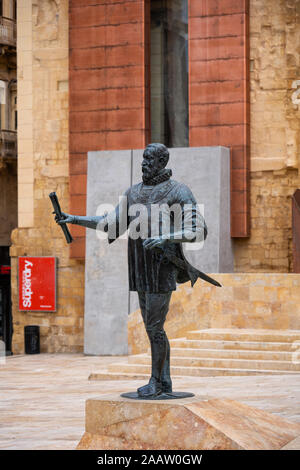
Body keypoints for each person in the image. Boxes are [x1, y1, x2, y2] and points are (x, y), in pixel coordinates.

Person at [56, 143, 213, 399]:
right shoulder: (133, 192)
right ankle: (164, 382)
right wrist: (74, 219)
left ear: (162, 163)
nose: (144, 163)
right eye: (143, 158)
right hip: (140, 265)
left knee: (154, 327)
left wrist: (166, 237)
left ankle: (157, 381)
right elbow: (111, 224)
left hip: (163, 265)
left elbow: (198, 229)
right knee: (152, 327)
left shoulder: (179, 191)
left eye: (150, 160)